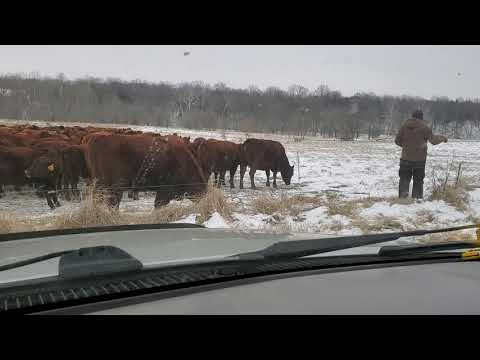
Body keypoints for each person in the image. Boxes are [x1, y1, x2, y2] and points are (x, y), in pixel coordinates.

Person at [394, 110, 448, 199]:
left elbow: (397, 141)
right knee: (418, 181)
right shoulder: (425, 128)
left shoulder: (404, 126)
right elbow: (433, 140)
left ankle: (403, 199)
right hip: (419, 160)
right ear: (421, 118)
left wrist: (406, 147)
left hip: (405, 159)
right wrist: (443, 138)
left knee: (404, 179)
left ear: (412, 116)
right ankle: (417, 200)